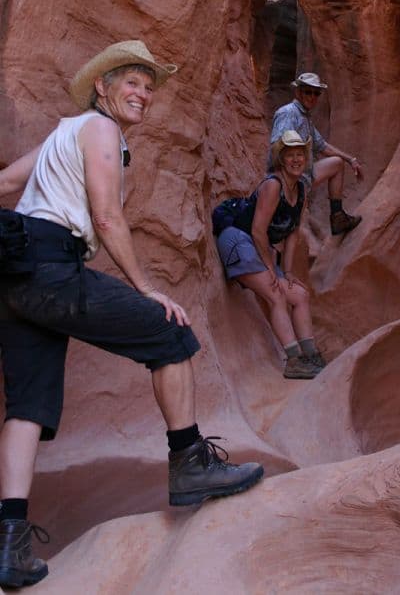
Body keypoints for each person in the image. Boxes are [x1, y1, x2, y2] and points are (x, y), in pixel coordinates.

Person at [0, 40, 263, 589]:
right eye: (132, 83)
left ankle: (10, 541)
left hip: (16, 277)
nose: (144, 93)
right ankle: (189, 463)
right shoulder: (100, 130)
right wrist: (147, 288)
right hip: (51, 265)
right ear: (103, 87)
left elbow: (4, 184)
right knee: (169, 332)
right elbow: (105, 215)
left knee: (26, 406)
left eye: (149, 86)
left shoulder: (63, 132)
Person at [216, 130, 325, 380]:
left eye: (300, 154)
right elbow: (257, 231)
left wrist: (286, 272)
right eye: (290, 155)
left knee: (299, 294)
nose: (296, 160)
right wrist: (269, 268)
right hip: (238, 240)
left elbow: (293, 233)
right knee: (275, 294)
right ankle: (294, 361)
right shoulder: (273, 185)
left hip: (256, 248)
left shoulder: (300, 190)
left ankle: (311, 355)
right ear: (281, 159)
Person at [270, 72, 363, 235]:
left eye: (316, 93)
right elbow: (277, 146)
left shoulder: (305, 117)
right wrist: (287, 182)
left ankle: (337, 217)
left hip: (303, 176)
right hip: (289, 179)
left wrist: (350, 159)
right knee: (290, 232)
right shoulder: (288, 113)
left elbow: (321, 145)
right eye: (308, 92)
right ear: (298, 92)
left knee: (337, 163)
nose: (312, 97)